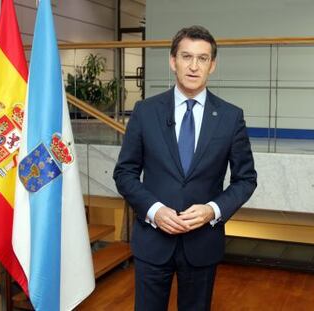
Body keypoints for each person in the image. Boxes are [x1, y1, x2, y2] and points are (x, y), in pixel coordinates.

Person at [113, 25, 257, 311]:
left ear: (212, 65)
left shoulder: (230, 117)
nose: (193, 66)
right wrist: (154, 210)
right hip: (152, 242)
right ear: (172, 61)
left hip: (202, 244)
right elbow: (125, 173)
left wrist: (212, 210)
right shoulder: (145, 111)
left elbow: (246, 179)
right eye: (186, 56)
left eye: (202, 59)